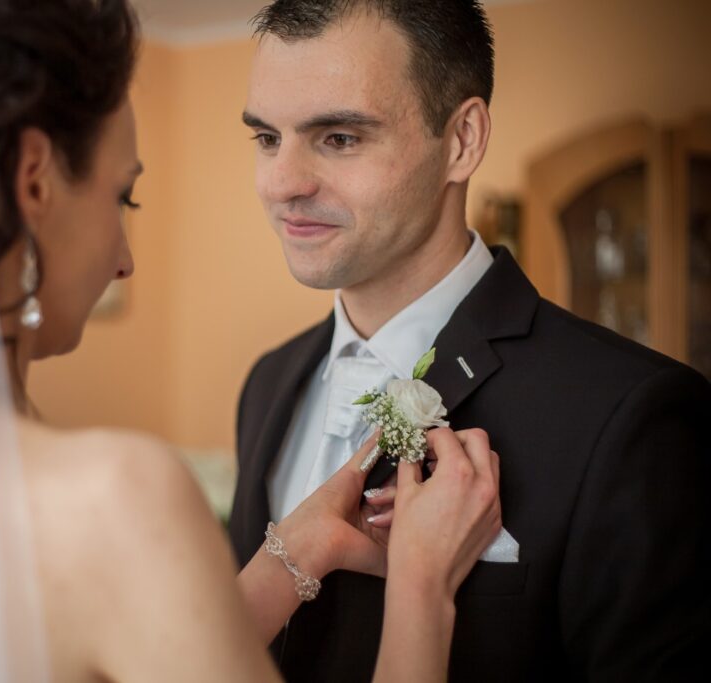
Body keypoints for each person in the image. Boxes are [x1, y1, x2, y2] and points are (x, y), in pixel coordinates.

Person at [0, 0, 501, 681]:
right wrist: (424, 588)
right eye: (124, 197)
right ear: (35, 182)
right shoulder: (116, 497)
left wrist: (295, 550)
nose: (125, 257)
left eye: (340, 137)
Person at [230, 1, 711, 681]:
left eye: (338, 137)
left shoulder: (632, 415)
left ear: (462, 139)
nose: (281, 183)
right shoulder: (267, 384)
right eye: (266, 138)